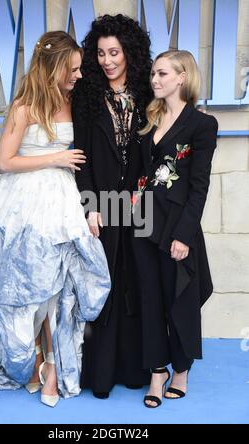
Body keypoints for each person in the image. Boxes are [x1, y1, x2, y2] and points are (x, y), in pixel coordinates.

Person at [0, 31, 110, 407]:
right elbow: (5, 161)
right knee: (29, 290)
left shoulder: (74, 102)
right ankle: (35, 359)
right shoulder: (24, 105)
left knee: (59, 286)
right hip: (23, 205)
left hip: (62, 202)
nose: (80, 75)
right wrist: (54, 158)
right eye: (73, 68)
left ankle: (53, 365)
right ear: (54, 67)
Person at [130, 50, 218, 408]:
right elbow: (140, 172)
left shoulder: (202, 124)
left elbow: (199, 186)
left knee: (178, 298)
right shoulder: (148, 119)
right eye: (153, 73)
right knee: (149, 298)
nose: (155, 79)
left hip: (176, 225)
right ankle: (157, 372)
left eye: (163, 73)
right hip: (143, 221)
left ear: (182, 77)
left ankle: (180, 368)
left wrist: (184, 234)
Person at [72, 14, 153, 398]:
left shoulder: (147, 94)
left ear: (130, 53)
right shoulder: (86, 95)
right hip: (102, 205)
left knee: (135, 286)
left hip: (138, 205)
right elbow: (80, 157)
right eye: (101, 53)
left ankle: (134, 370)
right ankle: (99, 375)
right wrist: (89, 206)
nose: (107, 60)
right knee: (102, 286)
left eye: (115, 52)